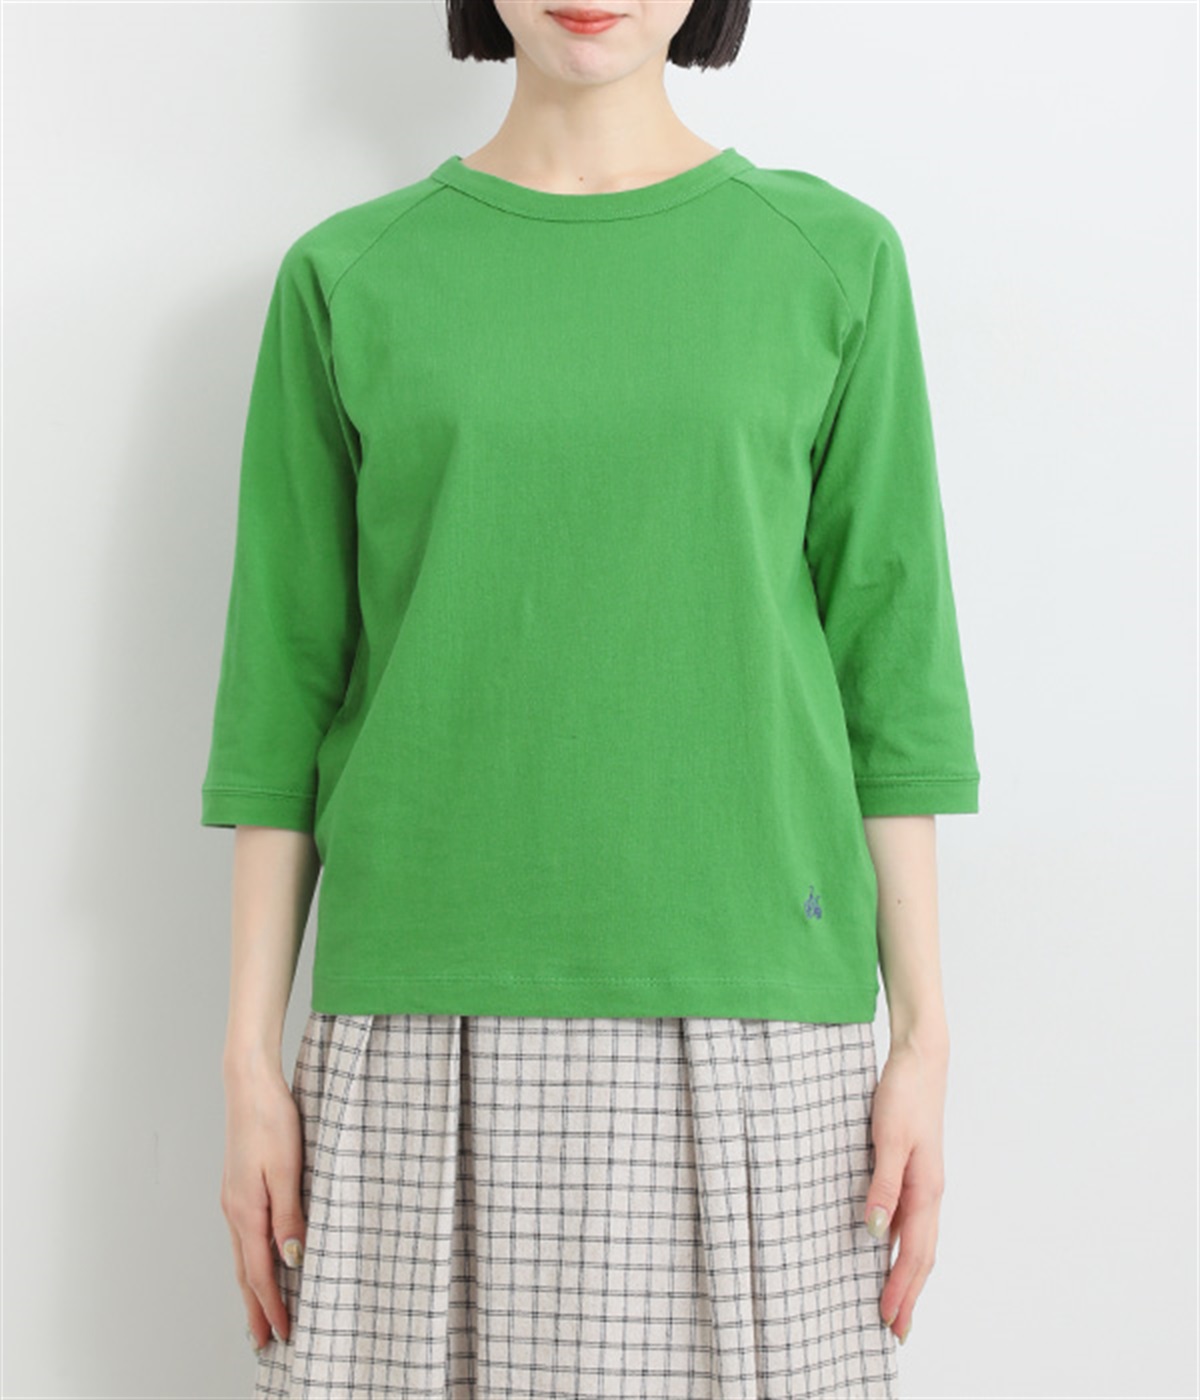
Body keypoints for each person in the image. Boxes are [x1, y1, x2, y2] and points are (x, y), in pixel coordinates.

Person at [204, 2, 980, 1396]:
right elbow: (283, 699)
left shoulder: (833, 262)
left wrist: (925, 1041)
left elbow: (893, 680)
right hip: (417, 1025)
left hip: (757, 1022)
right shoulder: (350, 276)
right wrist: (249, 1064)